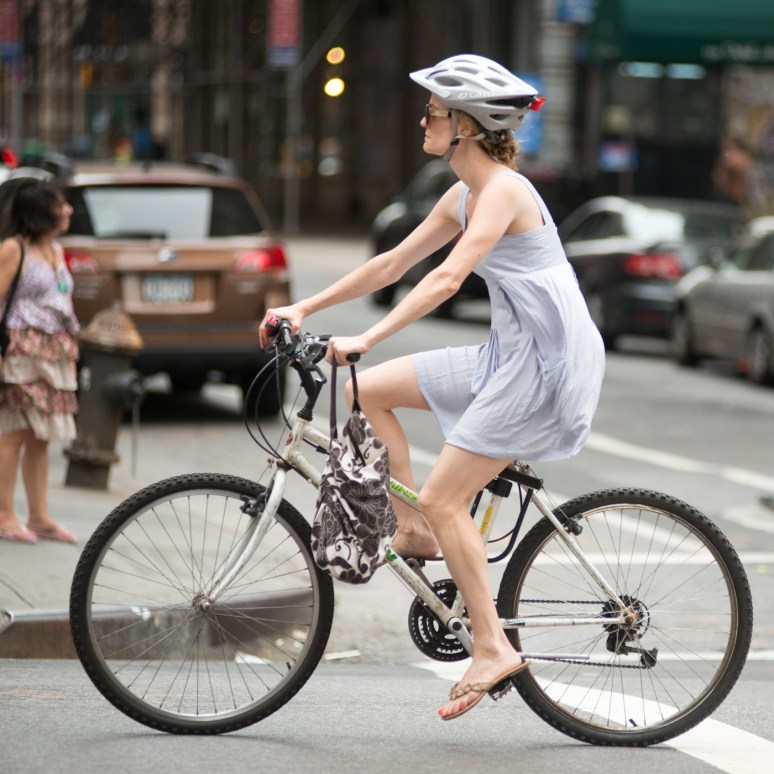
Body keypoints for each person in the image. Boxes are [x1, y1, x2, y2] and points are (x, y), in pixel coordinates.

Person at [260, 54, 605, 721]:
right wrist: (305, 309)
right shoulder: (464, 192)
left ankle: (492, 645)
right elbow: (392, 263)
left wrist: (367, 338)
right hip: (504, 355)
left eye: (435, 113)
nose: (425, 119)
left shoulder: (503, 190)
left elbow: (447, 279)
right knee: (368, 391)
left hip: (540, 368)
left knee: (450, 497)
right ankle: (415, 530)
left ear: (468, 127)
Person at [0, 179, 79, 544]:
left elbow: (63, 302)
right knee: (14, 432)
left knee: (41, 436)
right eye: (59, 205)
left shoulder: (55, 249)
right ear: (37, 211)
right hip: (20, 348)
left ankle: (39, 515)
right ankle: (4, 515)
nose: (67, 211)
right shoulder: (13, 249)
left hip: (54, 351)